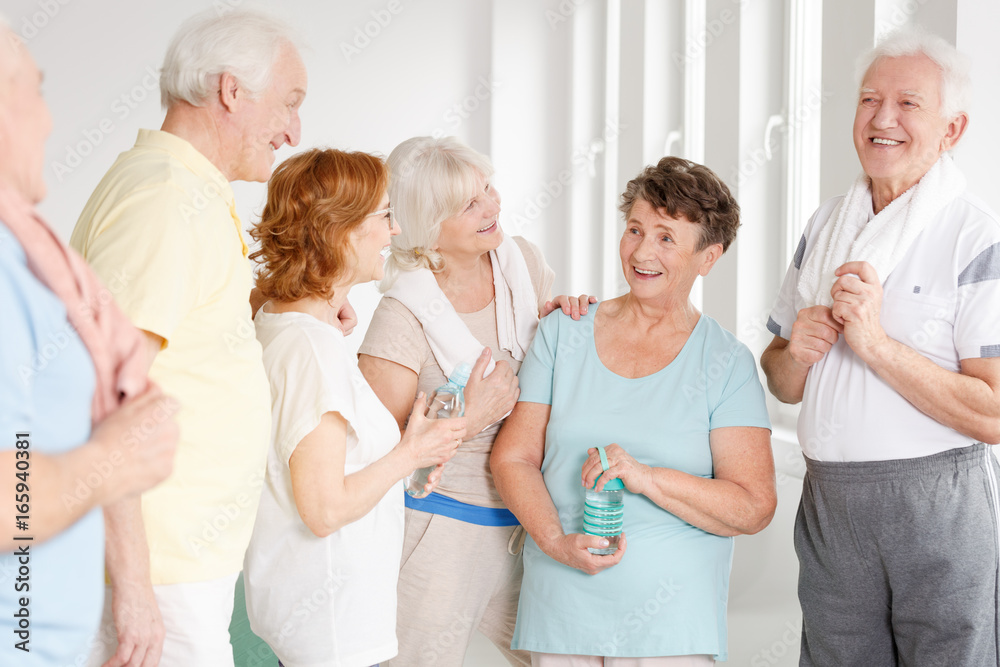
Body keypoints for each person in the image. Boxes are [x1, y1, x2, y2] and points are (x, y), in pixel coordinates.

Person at [69, 9, 306, 666]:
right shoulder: (168, 200)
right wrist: (136, 585)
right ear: (231, 91)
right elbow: (106, 396)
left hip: (177, 565)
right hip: (156, 571)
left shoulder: (189, 191)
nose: (294, 129)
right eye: (289, 103)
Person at [760, 27, 1000, 667]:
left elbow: (994, 413)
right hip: (831, 503)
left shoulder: (975, 236)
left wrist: (875, 343)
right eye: (869, 100)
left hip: (937, 505)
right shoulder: (825, 224)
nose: (882, 118)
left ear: (952, 130)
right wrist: (795, 352)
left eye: (908, 104)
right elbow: (781, 380)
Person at [491, 156, 776, 666]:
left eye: (667, 237)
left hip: (673, 627)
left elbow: (753, 506)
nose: (642, 251)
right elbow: (512, 458)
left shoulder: (727, 363)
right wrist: (556, 542)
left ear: (708, 257)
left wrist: (646, 477)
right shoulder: (563, 332)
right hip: (562, 608)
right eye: (635, 229)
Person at [358, 136, 592, 667]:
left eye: (488, 187)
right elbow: (378, 457)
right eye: (470, 203)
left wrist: (565, 321)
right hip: (440, 536)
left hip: (529, 520)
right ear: (425, 227)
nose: (493, 206)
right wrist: (468, 416)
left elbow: (541, 358)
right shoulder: (401, 318)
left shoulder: (521, 263)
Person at [242, 148, 467, 667]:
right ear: (339, 231)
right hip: (330, 632)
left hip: (319, 624)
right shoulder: (311, 350)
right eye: (385, 216)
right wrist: (411, 454)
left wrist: (326, 296)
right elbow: (324, 510)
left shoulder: (282, 323)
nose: (394, 232)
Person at [0, 16, 177, 666]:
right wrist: (116, 457)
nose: (49, 121)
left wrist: (131, 582)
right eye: (37, 91)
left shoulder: (28, 261)